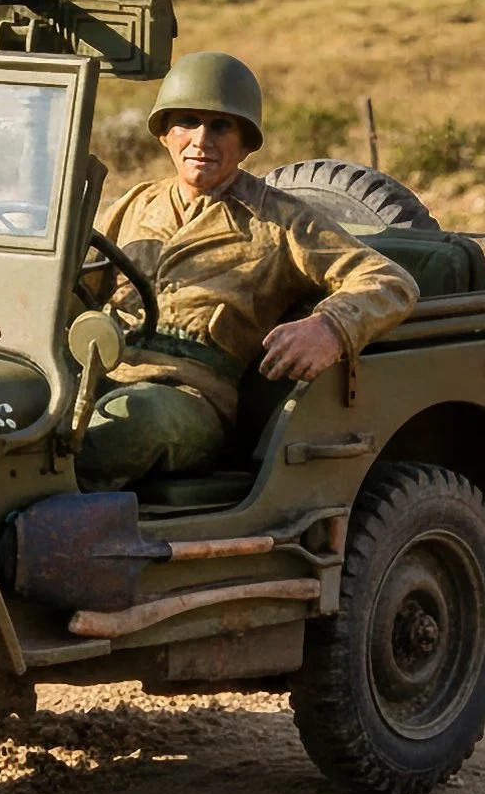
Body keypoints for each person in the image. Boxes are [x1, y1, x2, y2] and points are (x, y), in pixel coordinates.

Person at [77, 51, 419, 490]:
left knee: (118, 430)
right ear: (164, 134)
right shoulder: (136, 203)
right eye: (186, 121)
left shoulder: (279, 220)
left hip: (189, 401)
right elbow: (80, 283)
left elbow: (390, 281)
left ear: (246, 141)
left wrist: (331, 327)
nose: (201, 140)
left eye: (221, 126)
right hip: (102, 370)